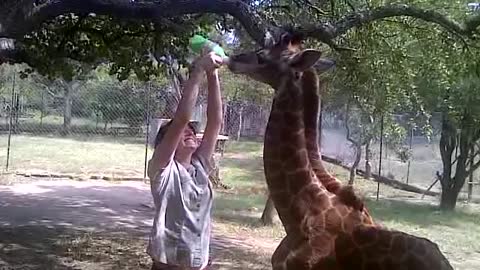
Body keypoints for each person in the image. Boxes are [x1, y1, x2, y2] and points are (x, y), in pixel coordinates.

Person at [146, 52, 224, 270]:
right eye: (182, 132)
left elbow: (215, 122)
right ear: (167, 143)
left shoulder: (200, 166)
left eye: (192, 130)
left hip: (200, 261)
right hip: (169, 264)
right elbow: (181, 119)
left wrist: (213, 74)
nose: (190, 132)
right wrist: (198, 71)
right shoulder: (163, 170)